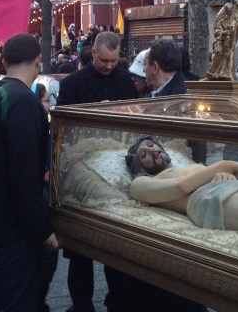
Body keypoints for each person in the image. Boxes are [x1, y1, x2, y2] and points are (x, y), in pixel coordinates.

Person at [0, 33, 58, 312]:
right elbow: (24, 178)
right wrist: (44, 231)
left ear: (3, 62)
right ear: (38, 61)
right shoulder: (25, 104)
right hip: (10, 234)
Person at [57, 31, 137, 312]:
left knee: (115, 251)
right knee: (80, 254)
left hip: (117, 170)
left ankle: (117, 303)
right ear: (93, 54)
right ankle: (81, 306)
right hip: (81, 170)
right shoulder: (74, 84)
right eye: (104, 60)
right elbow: (63, 128)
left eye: (114, 61)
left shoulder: (127, 81)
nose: (108, 66)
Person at [126, 136, 238, 232]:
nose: (151, 150)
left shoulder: (188, 166)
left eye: (151, 145)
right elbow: (182, 186)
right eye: (143, 155)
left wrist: (224, 174)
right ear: (138, 165)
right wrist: (225, 165)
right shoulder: (139, 184)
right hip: (207, 196)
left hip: (234, 184)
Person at [206, 2, 238, 80]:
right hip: (223, 44)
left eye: (231, 9)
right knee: (218, 58)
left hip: (231, 44)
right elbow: (217, 32)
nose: (230, 11)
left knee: (230, 59)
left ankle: (227, 74)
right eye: (228, 9)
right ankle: (216, 73)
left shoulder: (234, 21)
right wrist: (224, 33)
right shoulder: (221, 21)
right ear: (225, 10)